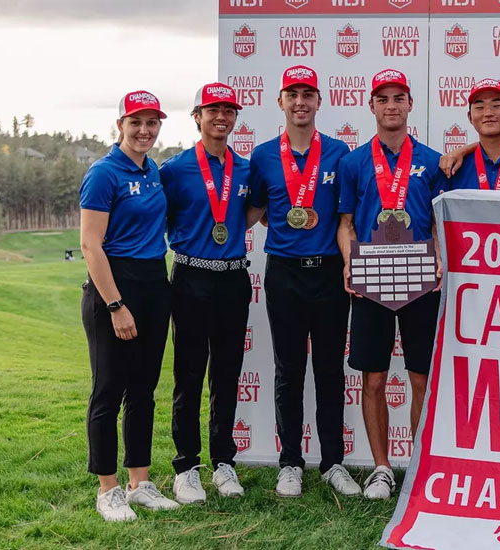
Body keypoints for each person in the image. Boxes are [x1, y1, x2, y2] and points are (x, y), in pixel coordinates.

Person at [247, 65, 360, 497]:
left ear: (318, 100)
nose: (300, 102)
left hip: (329, 273)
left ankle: (333, 462)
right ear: (280, 101)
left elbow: (343, 219)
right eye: (291, 94)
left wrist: (350, 263)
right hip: (284, 274)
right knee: (288, 370)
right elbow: (254, 213)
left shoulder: (338, 153)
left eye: (307, 94)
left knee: (330, 370)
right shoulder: (261, 156)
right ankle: (290, 462)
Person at [337, 69, 447, 500]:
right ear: (372, 107)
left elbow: (439, 223)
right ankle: (382, 467)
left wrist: (439, 258)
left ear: (409, 104)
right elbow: (345, 224)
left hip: (420, 281)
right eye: (382, 99)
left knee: (420, 378)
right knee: (375, 379)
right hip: (371, 281)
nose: (391, 106)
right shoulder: (353, 163)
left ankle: (419, 466)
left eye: (398, 97)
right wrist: (350, 264)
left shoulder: (434, 161)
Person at [79, 90, 179, 520]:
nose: (144, 131)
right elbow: (90, 244)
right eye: (135, 122)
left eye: (152, 123)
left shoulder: (154, 169)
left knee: (143, 390)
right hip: (114, 289)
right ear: (119, 125)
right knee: (108, 390)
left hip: (155, 283)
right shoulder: (104, 173)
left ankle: (140, 482)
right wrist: (116, 304)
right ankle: (108, 489)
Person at [160, 83, 252, 504]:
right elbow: (155, 221)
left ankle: (224, 463)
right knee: (189, 375)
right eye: (212, 110)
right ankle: (186, 467)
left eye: (228, 110)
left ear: (235, 117)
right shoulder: (175, 169)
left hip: (233, 278)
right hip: (192, 277)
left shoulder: (246, 168)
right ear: (197, 116)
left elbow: (251, 214)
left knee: (228, 374)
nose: (221, 117)